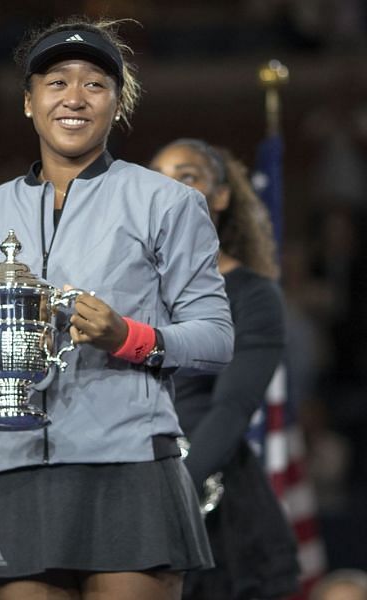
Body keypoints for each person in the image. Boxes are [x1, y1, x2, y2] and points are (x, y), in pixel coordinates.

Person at [0, 17, 233, 599]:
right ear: (29, 103)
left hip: (129, 464)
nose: (74, 98)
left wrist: (126, 336)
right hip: (19, 463)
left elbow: (214, 339)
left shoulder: (168, 203)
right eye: (57, 82)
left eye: (95, 84)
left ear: (116, 104)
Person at [149, 139, 300, 600]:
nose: (170, 190)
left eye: (188, 177)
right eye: (158, 177)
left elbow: (232, 408)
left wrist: (170, 498)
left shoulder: (253, 295)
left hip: (218, 514)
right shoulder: (121, 289)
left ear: (220, 196)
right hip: (128, 491)